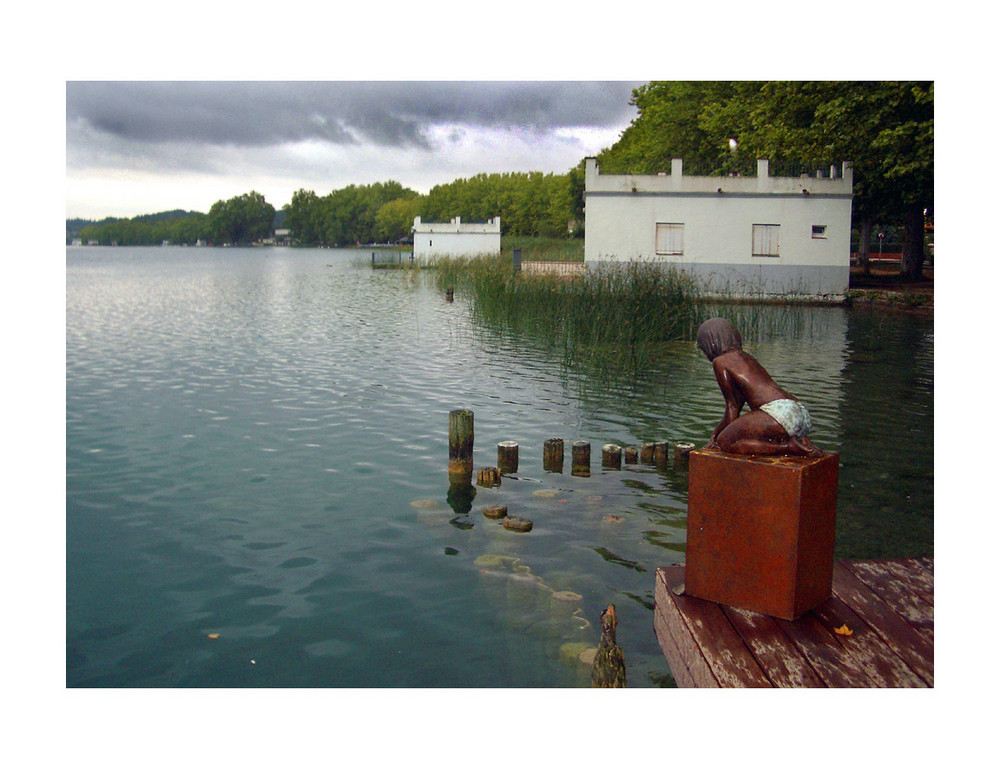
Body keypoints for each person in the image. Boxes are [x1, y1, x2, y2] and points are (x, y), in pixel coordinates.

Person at [696, 318, 821, 456]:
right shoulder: (746, 357)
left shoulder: (720, 361)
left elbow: (733, 407)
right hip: (799, 411)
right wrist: (715, 434)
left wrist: (719, 438)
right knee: (728, 437)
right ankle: (799, 442)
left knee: (726, 442)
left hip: (778, 413)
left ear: (711, 343)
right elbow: (738, 404)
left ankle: (788, 447)